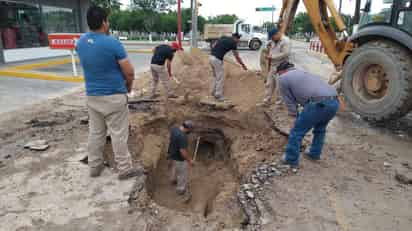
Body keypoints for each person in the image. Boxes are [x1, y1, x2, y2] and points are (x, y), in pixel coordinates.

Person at [76, 6, 142, 180]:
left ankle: (94, 167)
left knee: (96, 133)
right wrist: (128, 88)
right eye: (107, 20)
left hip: (92, 96)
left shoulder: (81, 42)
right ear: (104, 22)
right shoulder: (112, 43)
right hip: (113, 96)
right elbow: (129, 72)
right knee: (118, 134)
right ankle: (124, 169)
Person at [277, 61, 339, 167]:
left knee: (296, 132)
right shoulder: (304, 72)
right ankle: (314, 154)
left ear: (282, 71)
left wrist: (294, 116)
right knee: (320, 130)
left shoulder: (283, 78)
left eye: (278, 73)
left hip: (317, 103)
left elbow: (289, 101)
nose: (279, 76)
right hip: (334, 102)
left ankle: (291, 159)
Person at [209, 33, 248, 102]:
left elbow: (213, 45)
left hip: (211, 57)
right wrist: (243, 65)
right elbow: (237, 57)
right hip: (217, 59)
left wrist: (218, 52)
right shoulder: (233, 43)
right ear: (236, 38)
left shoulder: (223, 37)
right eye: (238, 39)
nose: (238, 41)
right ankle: (218, 95)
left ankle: (213, 92)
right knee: (221, 77)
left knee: (216, 76)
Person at [262, 27, 291, 106]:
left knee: (279, 87)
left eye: (272, 37)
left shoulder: (285, 41)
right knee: (269, 84)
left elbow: (286, 53)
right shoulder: (274, 40)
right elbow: (269, 44)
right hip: (273, 66)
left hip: (281, 67)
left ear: (277, 34)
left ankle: (279, 104)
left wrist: (272, 57)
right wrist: (267, 46)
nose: (272, 39)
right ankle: (266, 100)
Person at [168, 121, 194, 199]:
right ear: (187, 128)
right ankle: (180, 189)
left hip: (172, 155)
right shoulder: (183, 137)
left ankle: (173, 180)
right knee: (182, 174)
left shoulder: (174, 129)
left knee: (174, 168)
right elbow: (183, 152)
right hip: (180, 159)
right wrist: (190, 161)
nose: (190, 131)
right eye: (190, 129)